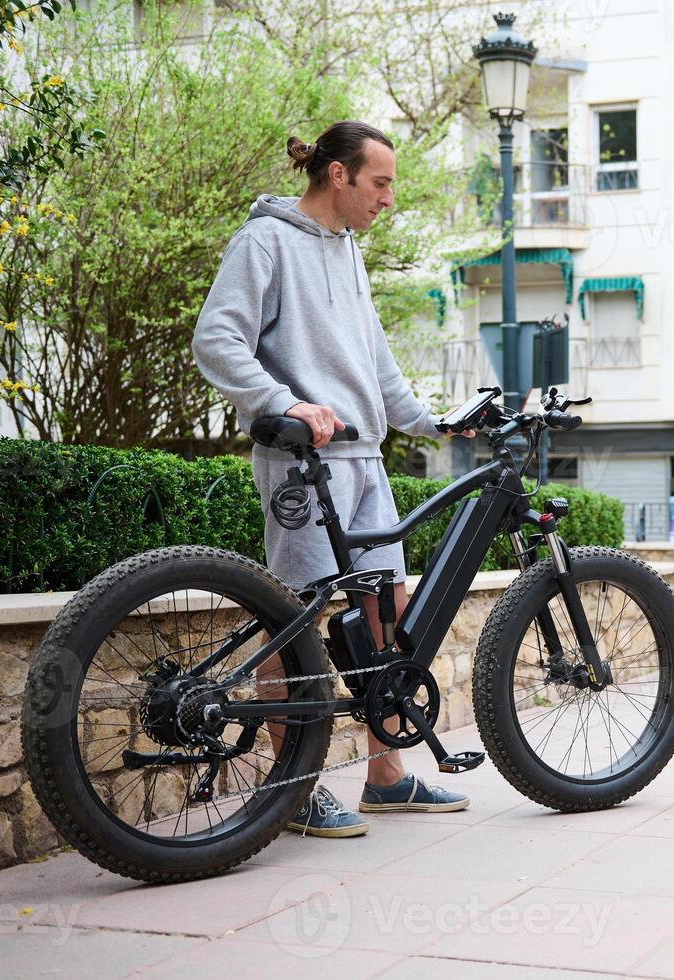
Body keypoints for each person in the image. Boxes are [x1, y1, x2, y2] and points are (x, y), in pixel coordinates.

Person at [192, 120, 469, 837]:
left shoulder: (347, 252)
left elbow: (374, 365)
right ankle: (290, 789)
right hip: (304, 465)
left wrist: (435, 422)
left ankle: (386, 777)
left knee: (389, 619)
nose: (388, 200)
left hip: (366, 461)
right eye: (380, 184)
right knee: (297, 625)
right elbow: (216, 338)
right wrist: (283, 403)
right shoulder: (266, 241)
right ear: (339, 175)